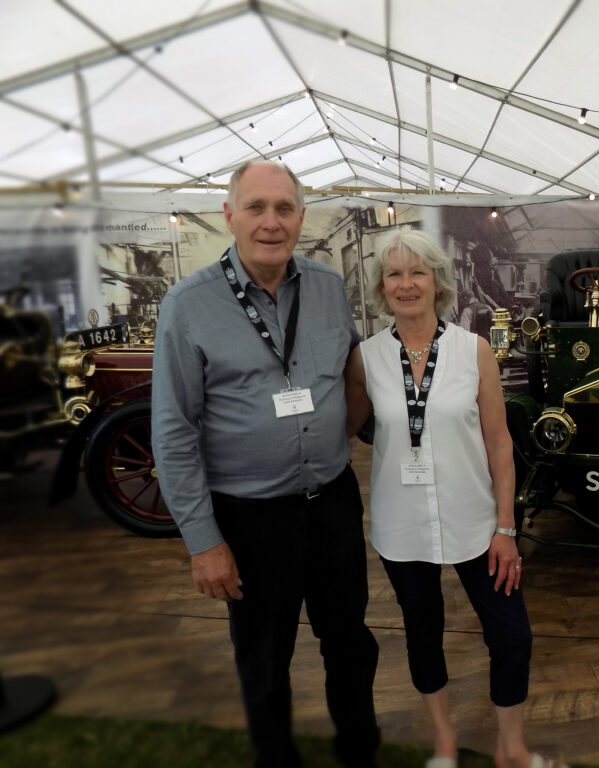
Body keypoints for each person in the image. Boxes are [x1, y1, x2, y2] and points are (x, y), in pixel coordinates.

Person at [152, 159, 380, 768]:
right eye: (256, 207)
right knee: (263, 660)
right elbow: (172, 431)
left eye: (285, 208)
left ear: (302, 217)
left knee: (351, 646)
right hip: (249, 521)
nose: (271, 222)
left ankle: (360, 754)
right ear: (230, 215)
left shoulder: (329, 287)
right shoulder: (188, 305)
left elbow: (352, 376)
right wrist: (204, 543)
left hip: (331, 505)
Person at [346, 229, 557, 768]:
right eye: (394, 273)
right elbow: (341, 431)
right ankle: (443, 743)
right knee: (423, 634)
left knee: (512, 636)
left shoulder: (473, 351)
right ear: (381, 286)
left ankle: (511, 748)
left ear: (439, 281)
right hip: (402, 525)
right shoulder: (365, 359)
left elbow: (499, 443)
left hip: (476, 521)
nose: (406, 283)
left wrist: (506, 526)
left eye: (417, 272)